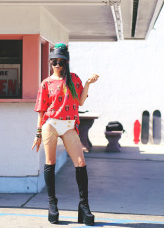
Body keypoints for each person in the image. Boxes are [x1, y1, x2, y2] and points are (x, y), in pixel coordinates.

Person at [32, 43, 99, 226]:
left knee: (80, 162)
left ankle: (84, 206)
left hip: (69, 126)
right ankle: (52, 204)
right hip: (50, 125)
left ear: (67, 63)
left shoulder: (74, 79)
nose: (58, 65)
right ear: (51, 62)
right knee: (50, 162)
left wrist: (87, 84)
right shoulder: (46, 83)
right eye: (55, 61)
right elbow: (41, 110)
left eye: (61, 62)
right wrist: (38, 134)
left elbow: (81, 101)